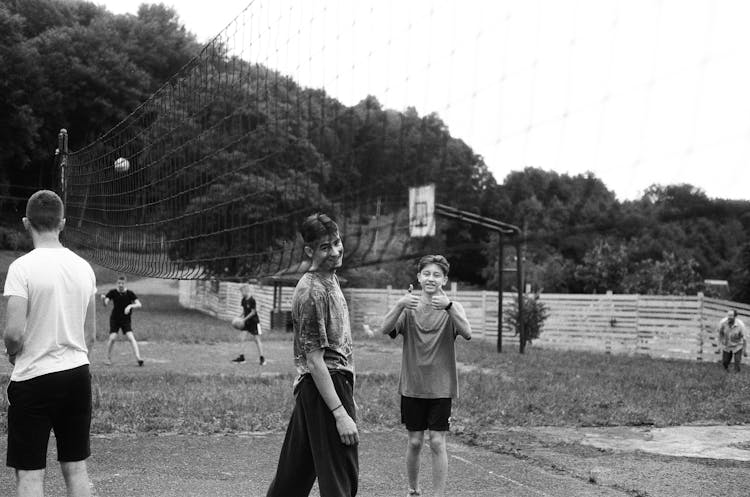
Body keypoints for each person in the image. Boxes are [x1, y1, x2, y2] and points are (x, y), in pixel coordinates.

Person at [3, 190, 97, 497]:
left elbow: (14, 333)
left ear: (26, 223)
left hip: (34, 379)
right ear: (63, 223)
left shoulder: (22, 268)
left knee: (30, 474)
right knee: (76, 468)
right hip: (76, 376)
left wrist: (12, 353)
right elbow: (90, 335)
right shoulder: (84, 267)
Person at [266, 213, 359, 497]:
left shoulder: (330, 279)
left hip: (318, 389)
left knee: (292, 478)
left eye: (337, 242)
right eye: (325, 247)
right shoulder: (311, 292)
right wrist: (340, 412)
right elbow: (315, 360)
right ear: (309, 250)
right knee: (340, 478)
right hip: (324, 386)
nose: (335, 251)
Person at [379, 254, 472, 497]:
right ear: (419, 277)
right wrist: (399, 304)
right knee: (415, 442)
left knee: (438, 442)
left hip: (441, 388)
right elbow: (384, 329)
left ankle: (438, 495)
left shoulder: (453, 308)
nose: (431, 278)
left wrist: (449, 307)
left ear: (445, 279)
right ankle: (413, 490)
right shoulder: (409, 308)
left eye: (437, 274)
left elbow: (468, 332)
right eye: (427, 274)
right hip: (412, 387)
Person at [101, 275, 144, 366]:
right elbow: (106, 303)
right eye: (119, 283)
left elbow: (139, 304)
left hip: (125, 320)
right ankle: (107, 358)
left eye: (122, 283)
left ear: (125, 283)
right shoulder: (113, 292)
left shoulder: (130, 293)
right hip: (115, 319)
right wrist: (104, 300)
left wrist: (130, 306)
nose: (120, 285)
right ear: (117, 283)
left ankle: (138, 358)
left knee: (131, 337)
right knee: (112, 338)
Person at [231, 283, 266, 365]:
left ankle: (262, 358)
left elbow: (253, 312)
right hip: (246, 322)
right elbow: (244, 311)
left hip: (254, 322)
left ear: (246, 291)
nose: (241, 294)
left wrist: (243, 320)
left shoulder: (252, 300)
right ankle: (241, 357)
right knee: (242, 338)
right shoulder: (243, 300)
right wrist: (238, 318)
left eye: (241, 292)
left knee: (257, 340)